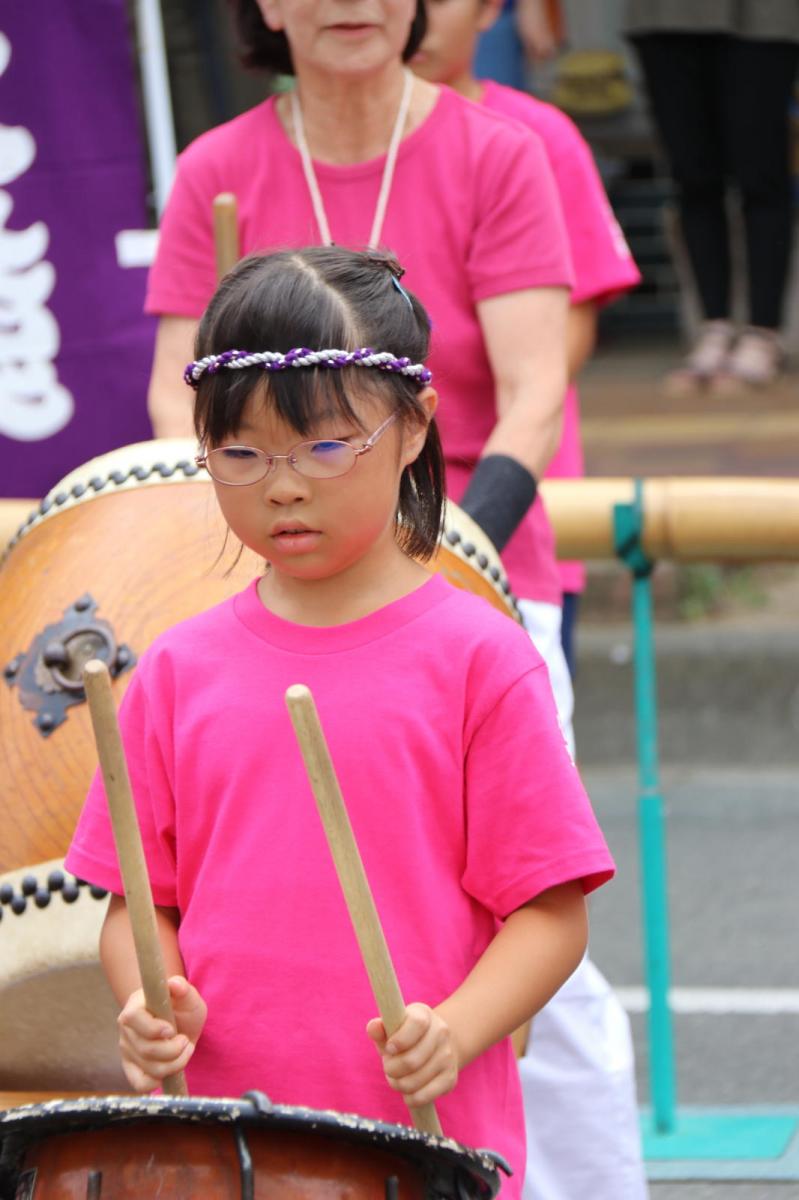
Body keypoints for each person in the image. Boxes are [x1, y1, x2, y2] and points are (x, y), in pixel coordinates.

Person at [65, 247, 615, 1196]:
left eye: (324, 446)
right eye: (240, 453)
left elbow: (549, 914)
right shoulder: (173, 671)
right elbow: (137, 904)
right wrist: (144, 1000)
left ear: (412, 429)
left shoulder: (478, 659)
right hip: (222, 1149)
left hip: (416, 1147)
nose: (282, 486)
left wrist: (460, 1027)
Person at [145, 0, 578, 753]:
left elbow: (534, 394)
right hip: (274, 569)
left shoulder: (500, 153)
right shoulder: (213, 168)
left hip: (470, 549)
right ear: (268, 7)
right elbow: (174, 397)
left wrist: (448, 549)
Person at [412, 6, 648, 1199]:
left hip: (493, 565)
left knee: (526, 929)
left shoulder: (527, 136)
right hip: (312, 586)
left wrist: (443, 541)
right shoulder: (255, 150)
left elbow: (559, 344)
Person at [413, 0, 641, 676]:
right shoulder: (271, 150)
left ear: (489, 10)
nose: (415, 15)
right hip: (350, 517)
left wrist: (486, 496)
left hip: (506, 502)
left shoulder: (535, 133)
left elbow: (566, 330)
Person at [624, 1, 799, 393]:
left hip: (760, 18)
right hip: (663, 17)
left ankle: (764, 331)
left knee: (762, 176)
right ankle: (713, 327)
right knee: (692, 178)